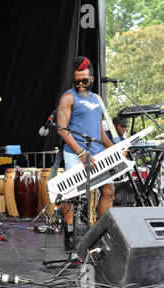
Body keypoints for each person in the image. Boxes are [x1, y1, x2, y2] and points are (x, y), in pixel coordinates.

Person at [56, 56, 116, 251]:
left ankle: (103, 233)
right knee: (72, 194)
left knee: (108, 191)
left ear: (92, 79)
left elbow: (100, 133)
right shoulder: (68, 97)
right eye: (77, 81)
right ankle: (70, 236)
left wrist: (115, 148)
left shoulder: (97, 100)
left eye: (84, 80)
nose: (80, 84)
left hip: (98, 153)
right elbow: (62, 129)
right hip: (76, 153)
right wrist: (81, 153)